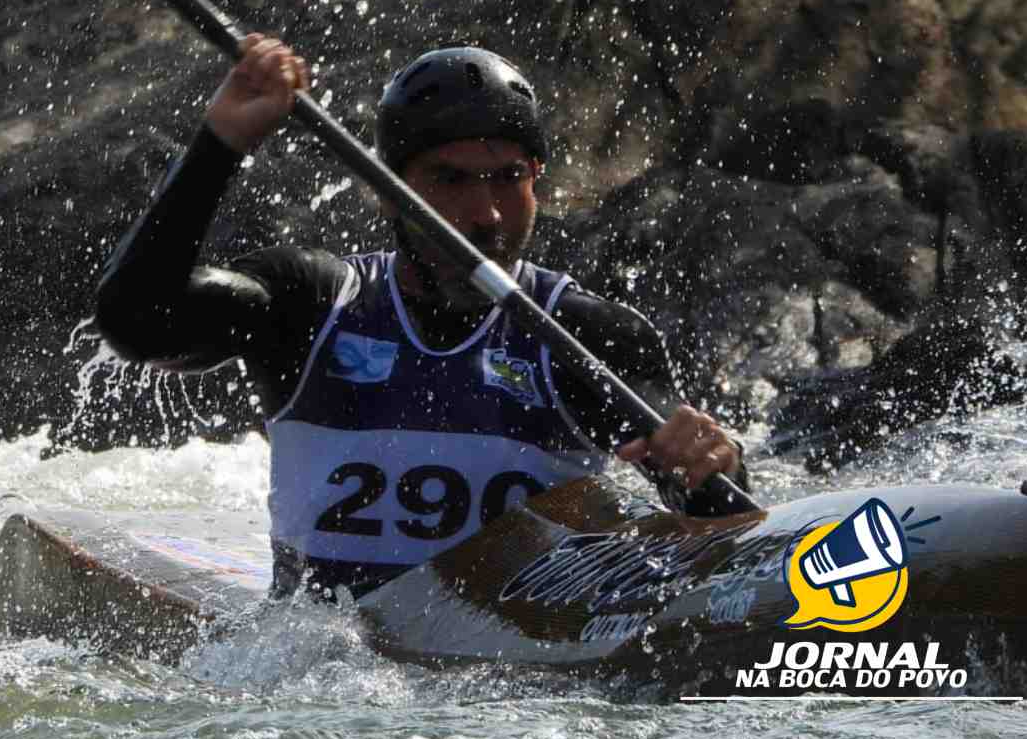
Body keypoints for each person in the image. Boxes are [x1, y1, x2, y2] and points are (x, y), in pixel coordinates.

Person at [95, 35, 747, 598]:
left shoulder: (593, 335)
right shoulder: (311, 302)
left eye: (506, 178)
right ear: (387, 191)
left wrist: (713, 464)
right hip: (322, 670)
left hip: (521, 688)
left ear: (536, 177)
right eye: (451, 180)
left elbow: (720, 522)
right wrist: (221, 143)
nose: (487, 214)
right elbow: (138, 323)